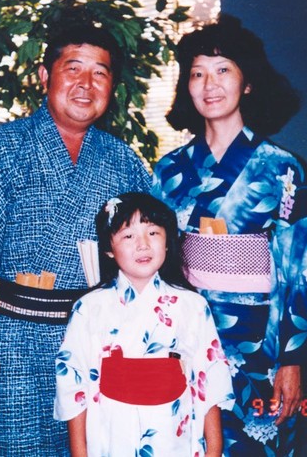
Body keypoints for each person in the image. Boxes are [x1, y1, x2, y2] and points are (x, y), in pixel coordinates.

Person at [0, 24, 151, 455]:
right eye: (73, 68)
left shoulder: (123, 161)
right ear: (43, 75)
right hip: (12, 341)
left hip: (99, 340)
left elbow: (149, 258)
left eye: (100, 74)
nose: (86, 85)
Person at [151, 14, 307, 456]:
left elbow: (302, 270)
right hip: (183, 344)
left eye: (223, 70)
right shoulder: (168, 172)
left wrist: (292, 360)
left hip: (260, 349)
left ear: (247, 83)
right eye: (197, 73)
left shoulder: (283, 169)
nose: (209, 84)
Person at [54, 192, 235, 456]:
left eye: (153, 233)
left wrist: (214, 449)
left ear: (168, 242)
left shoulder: (192, 306)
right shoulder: (89, 309)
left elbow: (210, 379)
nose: (143, 245)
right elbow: (73, 385)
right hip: (111, 440)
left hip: (174, 438)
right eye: (128, 236)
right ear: (108, 249)